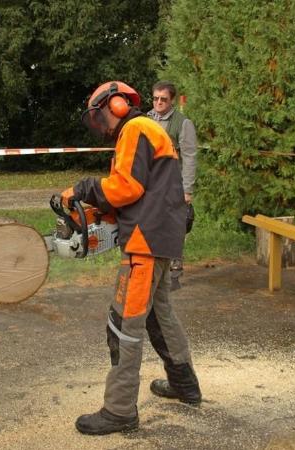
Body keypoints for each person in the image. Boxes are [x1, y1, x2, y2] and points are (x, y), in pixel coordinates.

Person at [66, 81, 201, 435]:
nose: (101, 125)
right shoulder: (149, 129)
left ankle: (120, 409)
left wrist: (85, 189)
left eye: (101, 116)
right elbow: (144, 191)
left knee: (124, 323)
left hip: (145, 240)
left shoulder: (136, 129)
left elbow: (126, 187)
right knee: (159, 314)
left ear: (118, 104)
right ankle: (185, 384)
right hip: (160, 234)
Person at [147, 81, 198, 290]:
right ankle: (152, 271)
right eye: (155, 98)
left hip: (172, 186)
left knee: (175, 228)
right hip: (149, 185)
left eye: (163, 99)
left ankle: (174, 273)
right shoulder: (145, 119)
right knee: (151, 226)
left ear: (172, 100)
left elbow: (190, 157)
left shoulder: (183, 123)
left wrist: (187, 190)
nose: (158, 102)